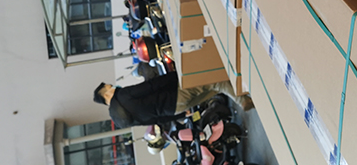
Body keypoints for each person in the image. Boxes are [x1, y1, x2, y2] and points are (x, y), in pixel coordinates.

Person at [92, 71, 252, 128]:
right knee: (214, 82)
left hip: (175, 109)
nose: (112, 86)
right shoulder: (122, 95)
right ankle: (242, 100)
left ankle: (246, 90)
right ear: (106, 94)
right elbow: (151, 86)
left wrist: (180, 115)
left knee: (212, 90)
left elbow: (155, 120)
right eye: (109, 86)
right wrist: (175, 75)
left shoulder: (122, 120)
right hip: (174, 95)